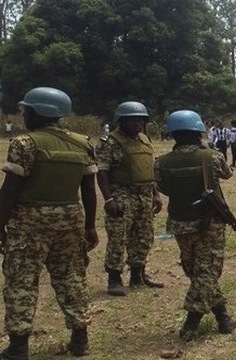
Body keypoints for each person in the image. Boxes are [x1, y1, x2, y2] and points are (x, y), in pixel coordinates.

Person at [0, 87, 98, 358]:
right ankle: (80, 339)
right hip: (70, 220)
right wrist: (90, 225)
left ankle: (18, 346)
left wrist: (0, 225)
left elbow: (10, 190)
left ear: (37, 112)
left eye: (26, 110)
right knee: (71, 279)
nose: (24, 115)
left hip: (30, 223)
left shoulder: (24, 144)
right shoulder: (83, 143)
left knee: (21, 281)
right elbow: (89, 190)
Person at [154, 110, 236, 341]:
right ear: (199, 133)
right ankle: (191, 323)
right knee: (207, 272)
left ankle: (223, 317)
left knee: (199, 272)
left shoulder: (161, 163)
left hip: (180, 223)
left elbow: (164, 189)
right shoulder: (212, 157)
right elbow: (228, 174)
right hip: (208, 223)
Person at [96, 101, 165, 297]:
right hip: (122, 195)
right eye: (133, 120)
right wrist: (109, 200)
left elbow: (147, 169)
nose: (138, 124)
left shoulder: (144, 139)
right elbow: (102, 173)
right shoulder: (109, 142)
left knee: (144, 236)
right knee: (118, 238)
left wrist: (156, 194)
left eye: (141, 120)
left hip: (144, 196)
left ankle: (138, 274)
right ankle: (114, 279)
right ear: (122, 121)